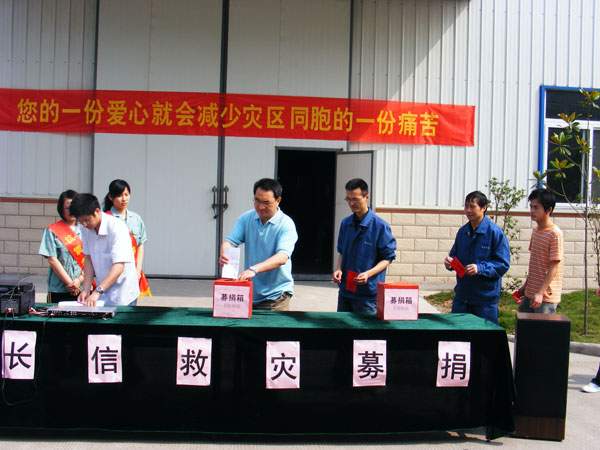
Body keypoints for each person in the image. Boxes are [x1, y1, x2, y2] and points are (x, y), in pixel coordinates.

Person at [219, 178, 298, 310]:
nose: (260, 207)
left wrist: (254, 269)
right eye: (257, 200)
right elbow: (230, 242)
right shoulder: (246, 218)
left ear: (278, 200)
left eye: (266, 202)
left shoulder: (286, 225)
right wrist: (224, 254)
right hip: (248, 293)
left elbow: (282, 257)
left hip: (276, 296)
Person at [444, 191, 510, 323]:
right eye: (466, 206)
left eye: (472, 207)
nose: (468, 210)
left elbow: (503, 264)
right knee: (458, 333)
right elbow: (454, 255)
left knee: (484, 335)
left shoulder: (494, 232)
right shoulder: (463, 232)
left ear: (484, 208)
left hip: (484, 300)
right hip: (462, 297)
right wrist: (449, 262)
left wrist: (480, 268)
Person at [332, 178, 396, 313]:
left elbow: (387, 258)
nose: (351, 203)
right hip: (345, 292)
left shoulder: (380, 226)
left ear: (367, 197)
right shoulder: (346, 223)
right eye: (348, 199)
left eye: (355, 199)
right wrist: (338, 269)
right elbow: (342, 251)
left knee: (365, 327)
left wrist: (368, 274)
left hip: (367, 295)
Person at [69, 193, 139, 306]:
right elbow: (88, 258)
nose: (84, 224)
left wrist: (98, 291)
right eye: (81, 221)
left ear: (97, 211)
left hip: (123, 292)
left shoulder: (116, 227)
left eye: (86, 220)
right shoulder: (85, 228)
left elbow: (119, 266)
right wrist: (86, 290)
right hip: (103, 291)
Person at [517, 188, 564, 314]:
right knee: (522, 324)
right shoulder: (536, 231)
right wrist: (526, 285)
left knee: (543, 326)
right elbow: (535, 263)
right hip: (530, 293)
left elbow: (554, 266)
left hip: (545, 296)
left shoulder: (555, 234)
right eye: (531, 207)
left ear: (548, 210)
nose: (532, 211)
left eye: (536, 207)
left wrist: (540, 293)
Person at [103, 179, 151, 297]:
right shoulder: (106, 219)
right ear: (110, 197)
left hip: (132, 273)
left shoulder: (136, 219)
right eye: (119, 195)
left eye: (126, 194)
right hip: (113, 273)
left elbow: (140, 244)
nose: (124, 199)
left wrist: (138, 269)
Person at [38, 190, 86, 302]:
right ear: (61, 209)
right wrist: (70, 283)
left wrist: (79, 280)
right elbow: (52, 259)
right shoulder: (52, 230)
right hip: (58, 289)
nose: (71, 211)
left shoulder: (86, 230)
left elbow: (90, 259)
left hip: (82, 288)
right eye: (68, 208)